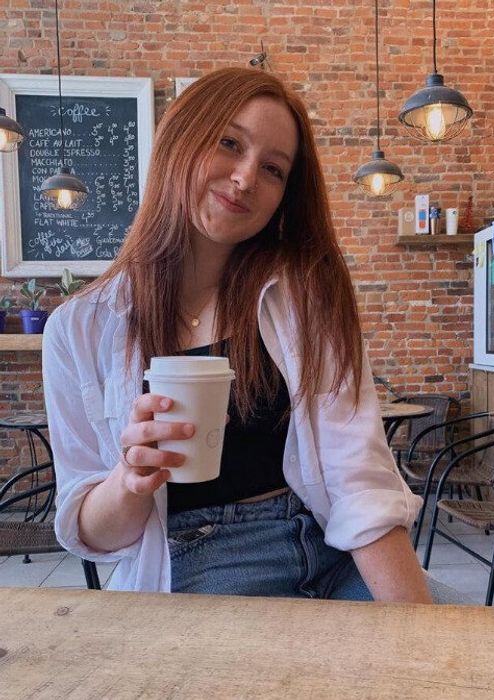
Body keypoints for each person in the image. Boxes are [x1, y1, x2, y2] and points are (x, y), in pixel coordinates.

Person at [44, 68, 432, 602]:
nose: (247, 177)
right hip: (199, 556)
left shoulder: (305, 294)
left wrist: (420, 632)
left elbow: (356, 472)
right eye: (230, 143)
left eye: (274, 169)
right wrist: (130, 479)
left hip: (330, 545)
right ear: (180, 140)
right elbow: (89, 532)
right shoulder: (80, 329)